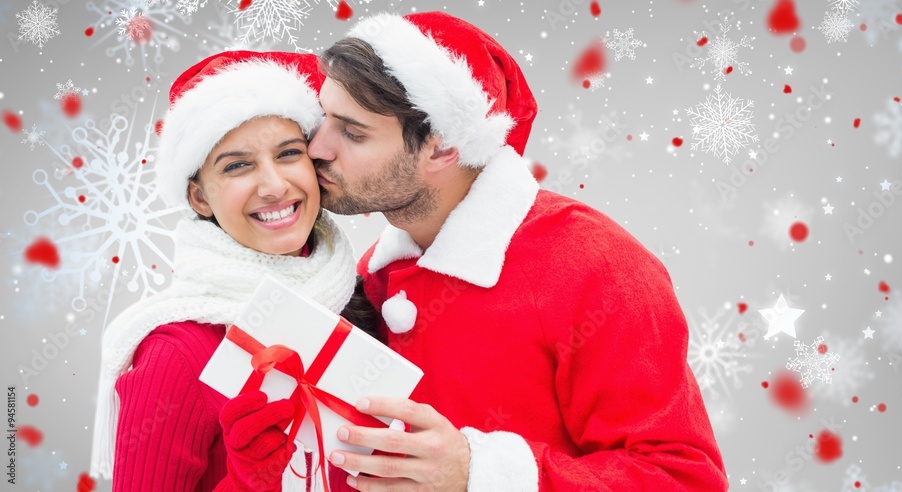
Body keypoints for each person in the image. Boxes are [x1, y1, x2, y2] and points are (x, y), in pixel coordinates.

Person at [305, 11, 729, 491]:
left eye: (353, 132)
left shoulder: (596, 266)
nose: (316, 147)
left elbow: (681, 478)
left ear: (443, 149)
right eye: (324, 118)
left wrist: (481, 474)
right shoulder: (374, 275)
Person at [89, 50, 373, 491]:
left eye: (288, 153)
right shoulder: (176, 354)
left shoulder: (359, 299)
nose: (275, 185)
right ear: (200, 199)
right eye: (238, 165)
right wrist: (246, 481)